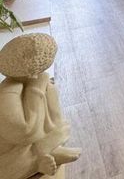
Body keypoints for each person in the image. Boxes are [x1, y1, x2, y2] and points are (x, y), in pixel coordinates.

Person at [0, 33, 80, 179]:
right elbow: (26, 132)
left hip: (35, 143)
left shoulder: (38, 82)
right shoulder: (8, 94)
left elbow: (55, 121)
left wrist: (39, 87)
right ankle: (37, 160)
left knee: (50, 88)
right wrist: (34, 90)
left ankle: (51, 149)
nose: (41, 73)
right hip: (13, 156)